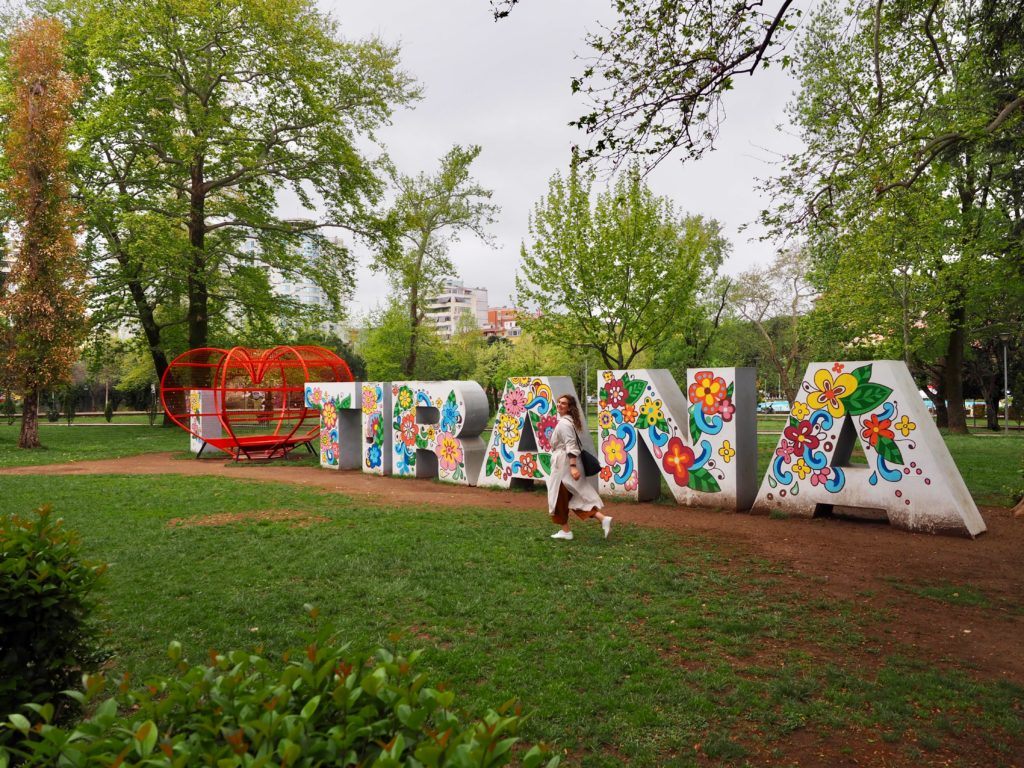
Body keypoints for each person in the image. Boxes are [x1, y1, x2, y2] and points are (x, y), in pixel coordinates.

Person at [546, 393, 612, 540]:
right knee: (573, 497)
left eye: (563, 403)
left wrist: (573, 466)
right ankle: (602, 519)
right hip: (566, 464)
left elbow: (571, 445)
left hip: (564, 465)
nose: (560, 405)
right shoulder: (569, 422)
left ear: (569, 407)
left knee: (558, 497)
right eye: (558, 402)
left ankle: (566, 531)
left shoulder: (564, 423)